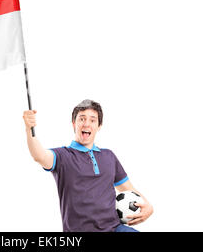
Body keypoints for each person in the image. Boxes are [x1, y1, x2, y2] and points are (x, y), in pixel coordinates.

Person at [23, 99, 153, 232]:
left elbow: (128, 188)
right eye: (82, 119)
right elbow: (39, 155)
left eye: (92, 120)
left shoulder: (109, 156)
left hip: (115, 229)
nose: (86, 124)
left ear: (99, 126)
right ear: (74, 124)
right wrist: (29, 129)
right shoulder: (63, 156)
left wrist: (148, 206)